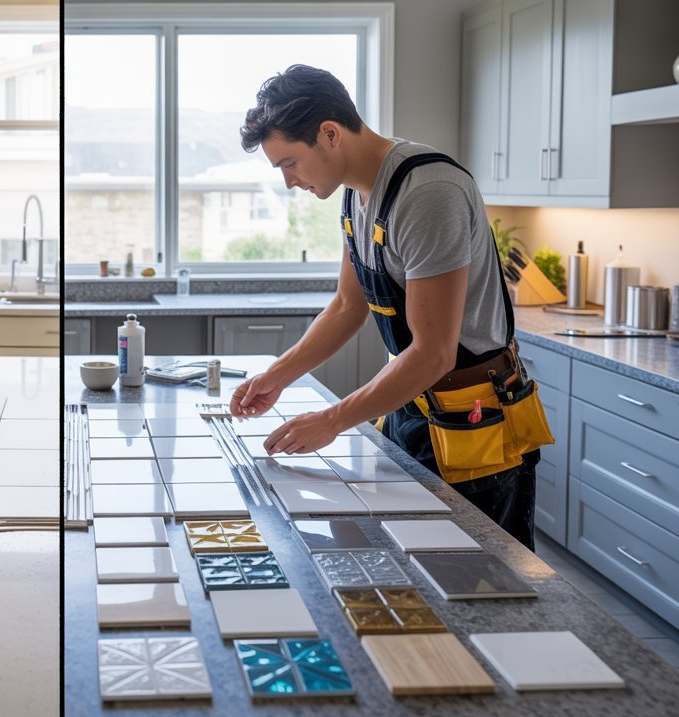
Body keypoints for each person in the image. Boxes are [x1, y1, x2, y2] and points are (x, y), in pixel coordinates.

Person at [230, 65, 552, 549]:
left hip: (473, 423)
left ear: (330, 134)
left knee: (486, 594)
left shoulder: (426, 193)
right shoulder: (357, 196)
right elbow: (345, 308)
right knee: (418, 576)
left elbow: (433, 353)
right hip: (411, 410)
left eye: (289, 163)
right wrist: (275, 376)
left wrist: (331, 421)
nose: (290, 181)